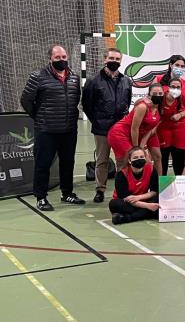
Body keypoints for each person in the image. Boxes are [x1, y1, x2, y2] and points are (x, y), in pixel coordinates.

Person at [20, 45, 84, 210]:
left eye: (64, 57)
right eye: (57, 57)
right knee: (43, 164)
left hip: (69, 130)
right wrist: (39, 117)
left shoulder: (75, 77)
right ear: (50, 59)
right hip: (46, 130)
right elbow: (26, 101)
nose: (61, 60)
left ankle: (67, 193)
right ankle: (41, 197)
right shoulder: (38, 76)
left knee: (68, 163)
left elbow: (75, 99)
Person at [82, 47, 132, 203]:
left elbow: (127, 102)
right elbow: (86, 105)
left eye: (117, 59)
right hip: (101, 127)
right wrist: (96, 120)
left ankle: (121, 189)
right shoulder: (93, 81)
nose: (114, 62)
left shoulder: (126, 81)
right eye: (111, 58)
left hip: (120, 129)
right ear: (104, 59)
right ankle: (100, 190)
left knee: (122, 160)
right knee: (102, 160)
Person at [107, 83, 163, 174]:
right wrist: (137, 149)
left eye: (160, 94)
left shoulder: (160, 108)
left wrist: (142, 146)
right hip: (120, 134)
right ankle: (121, 186)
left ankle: (159, 184)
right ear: (149, 95)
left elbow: (150, 130)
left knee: (156, 157)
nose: (158, 96)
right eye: (155, 93)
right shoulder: (142, 107)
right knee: (126, 161)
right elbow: (134, 128)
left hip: (141, 134)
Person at [109, 147, 159, 225]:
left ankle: (127, 218)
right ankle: (147, 213)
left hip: (142, 199)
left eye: (142, 157)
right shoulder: (121, 174)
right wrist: (147, 206)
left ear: (145, 158)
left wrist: (139, 197)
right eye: (135, 158)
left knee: (160, 199)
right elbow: (125, 197)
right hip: (127, 203)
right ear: (129, 160)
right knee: (114, 204)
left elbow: (154, 191)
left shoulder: (151, 169)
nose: (139, 159)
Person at [157, 78, 185, 176]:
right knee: (163, 157)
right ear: (167, 87)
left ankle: (179, 184)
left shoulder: (183, 96)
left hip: (179, 127)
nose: (175, 89)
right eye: (173, 87)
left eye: (178, 87)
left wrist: (180, 115)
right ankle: (162, 186)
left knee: (179, 158)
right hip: (163, 127)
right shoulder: (161, 95)